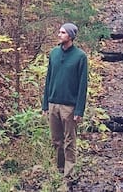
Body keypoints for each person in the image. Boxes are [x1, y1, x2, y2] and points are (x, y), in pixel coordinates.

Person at [42, 22, 89, 183]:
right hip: (53, 103)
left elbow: (83, 86)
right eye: (59, 32)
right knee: (56, 140)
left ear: (70, 36)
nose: (59, 35)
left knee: (70, 140)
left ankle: (68, 174)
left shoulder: (80, 57)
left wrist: (79, 110)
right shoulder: (54, 53)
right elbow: (48, 80)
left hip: (69, 106)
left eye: (62, 32)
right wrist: (45, 104)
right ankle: (59, 169)